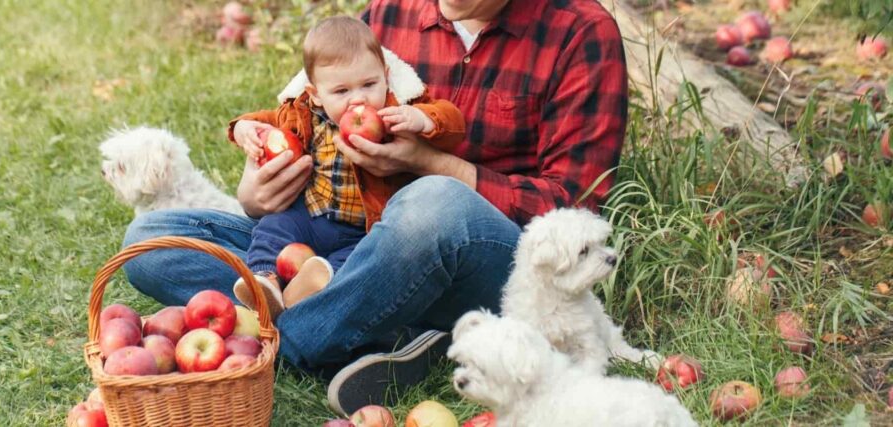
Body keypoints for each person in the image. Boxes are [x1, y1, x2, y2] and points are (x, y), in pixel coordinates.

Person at [121, 0, 627, 416]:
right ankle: (384, 330)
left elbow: (572, 209)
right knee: (150, 240)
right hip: (356, 244)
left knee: (432, 202)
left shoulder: (579, 32)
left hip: (491, 260)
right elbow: (309, 111)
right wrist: (256, 192)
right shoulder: (389, 14)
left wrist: (430, 162)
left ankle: (284, 345)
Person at [226, 16, 465, 320]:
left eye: (369, 84)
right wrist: (244, 127)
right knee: (274, 228)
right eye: (341, 91)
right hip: (309, 216)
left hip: (363, 229)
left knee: (358, 263)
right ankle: (264, 282)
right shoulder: (303, 111)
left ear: (385, 75)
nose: (358, 99)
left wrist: (424, 119)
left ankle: (314, 286)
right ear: (316, 94)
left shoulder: (397, 111)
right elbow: (266, 120)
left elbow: (453, 121)